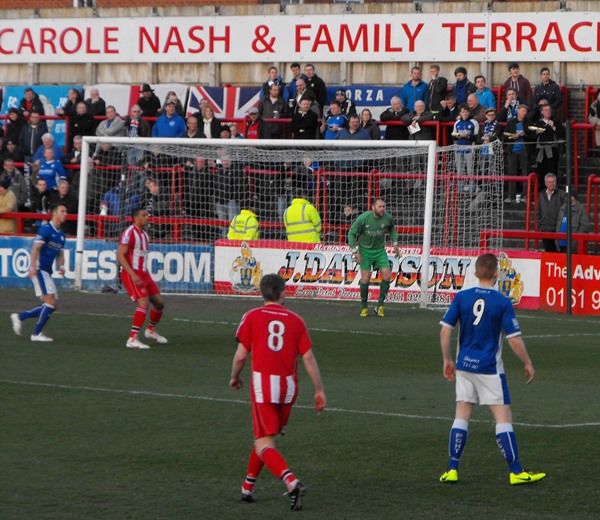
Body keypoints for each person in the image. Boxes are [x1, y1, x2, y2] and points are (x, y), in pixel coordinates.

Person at [438, 253, 546, 486]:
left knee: (461, 416)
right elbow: (514, 340)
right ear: (497, 274)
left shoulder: (462, 297)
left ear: (476, 274)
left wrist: (447, 360)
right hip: (489, 368)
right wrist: (527, 362)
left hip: (464, 365)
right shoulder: (502, 302)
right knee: (503, 418)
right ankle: (516, 471)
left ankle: (452, 469)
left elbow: (445, 331)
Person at [230, 273, 326, 511]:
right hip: (288, 388)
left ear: (261, 293)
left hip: (263, 387)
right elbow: (308, 357)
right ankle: (247, 487)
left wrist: (234, 376)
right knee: (265, 440)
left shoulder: (251, 316)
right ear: (283, 293)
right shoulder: (296, 320)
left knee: (265, 444)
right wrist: (319, 390)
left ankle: (291, 481)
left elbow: (241, 355)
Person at [11, 202, 67, 342]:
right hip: (39, 269)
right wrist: (32, 268)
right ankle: (36, 334)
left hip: (47, 271)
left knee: (52, 305)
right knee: (50, 303)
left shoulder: (61, 235)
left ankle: (20, 317)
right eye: (62, 211)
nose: (65, 213)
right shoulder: (45, 230)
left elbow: (60, 253)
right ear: (54, 213)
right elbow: (35, 248)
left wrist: (61, 266)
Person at [117, 207, 168, 349]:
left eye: (147, 214)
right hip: (131, 274)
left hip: (144, 274)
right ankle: (132, 339)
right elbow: (120, 255)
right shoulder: (129, 233)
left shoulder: (144, 235)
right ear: (135, 218)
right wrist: (132, 274)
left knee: (159, 303)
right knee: (143, 304)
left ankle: (151, 331)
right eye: (143, 215)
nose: (147, 217)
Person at [348, 198, 401, 317]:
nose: (382, 209)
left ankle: (380, 306)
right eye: (380, 207)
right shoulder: (363, 218)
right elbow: (351, 233)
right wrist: (354, 250)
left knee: (387, 274)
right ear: (373, 207)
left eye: (383, 206)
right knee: (365, 278)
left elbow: (392, 228)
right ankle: (364, 307)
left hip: (380, 251)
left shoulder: (387, 217)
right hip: (365, 251)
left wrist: (395, 243)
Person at [504, 105, 534, 203]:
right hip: (512, 150)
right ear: (518, 111)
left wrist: (525, 134)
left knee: (525, 172)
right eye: (522, 111)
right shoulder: (511, 122)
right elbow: (505, 136)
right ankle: (511, 195)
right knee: (512, 172)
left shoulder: (529, 123)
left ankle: (525, 195)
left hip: (524, 150)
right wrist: (512, 137)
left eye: (525, 111)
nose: (524, 113)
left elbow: (533, 136)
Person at [532, 104, 565, 184]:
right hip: (541, 150)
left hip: (552, 150)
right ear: (542, 112)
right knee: (541, 172)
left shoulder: (556, 121)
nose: (548, 112)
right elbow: (531, 136)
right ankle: (542, 191)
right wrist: (536, 133)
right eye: (546, 110)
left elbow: (562, 134)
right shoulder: (538, 123)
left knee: (553, 171)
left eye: (549, 110)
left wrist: (553, 127)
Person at [451, 104, 479, 193]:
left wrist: (467, 136)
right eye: (463, 112)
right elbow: (453, 135)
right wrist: (458, 136)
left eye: (466, 112)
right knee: (459, 170)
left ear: (469, 112)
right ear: (460, 113)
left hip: (469, 149)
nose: (465, 113)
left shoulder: (474, 122)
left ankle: (472, 188)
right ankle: (460, 189)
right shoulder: (457, 123)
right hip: (458, 149)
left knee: (470, 169)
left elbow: (476, 136)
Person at [536, 173, 566, 253]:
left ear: (556, 182)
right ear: (546, 183)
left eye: (553, 182)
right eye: (549, 182)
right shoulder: (541, 195)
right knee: (548, 252)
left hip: (557, 229)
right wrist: (540, 226)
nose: (551, 184)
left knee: (558, 253)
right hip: (545, 229)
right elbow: (538, 212)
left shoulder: (562, 195)